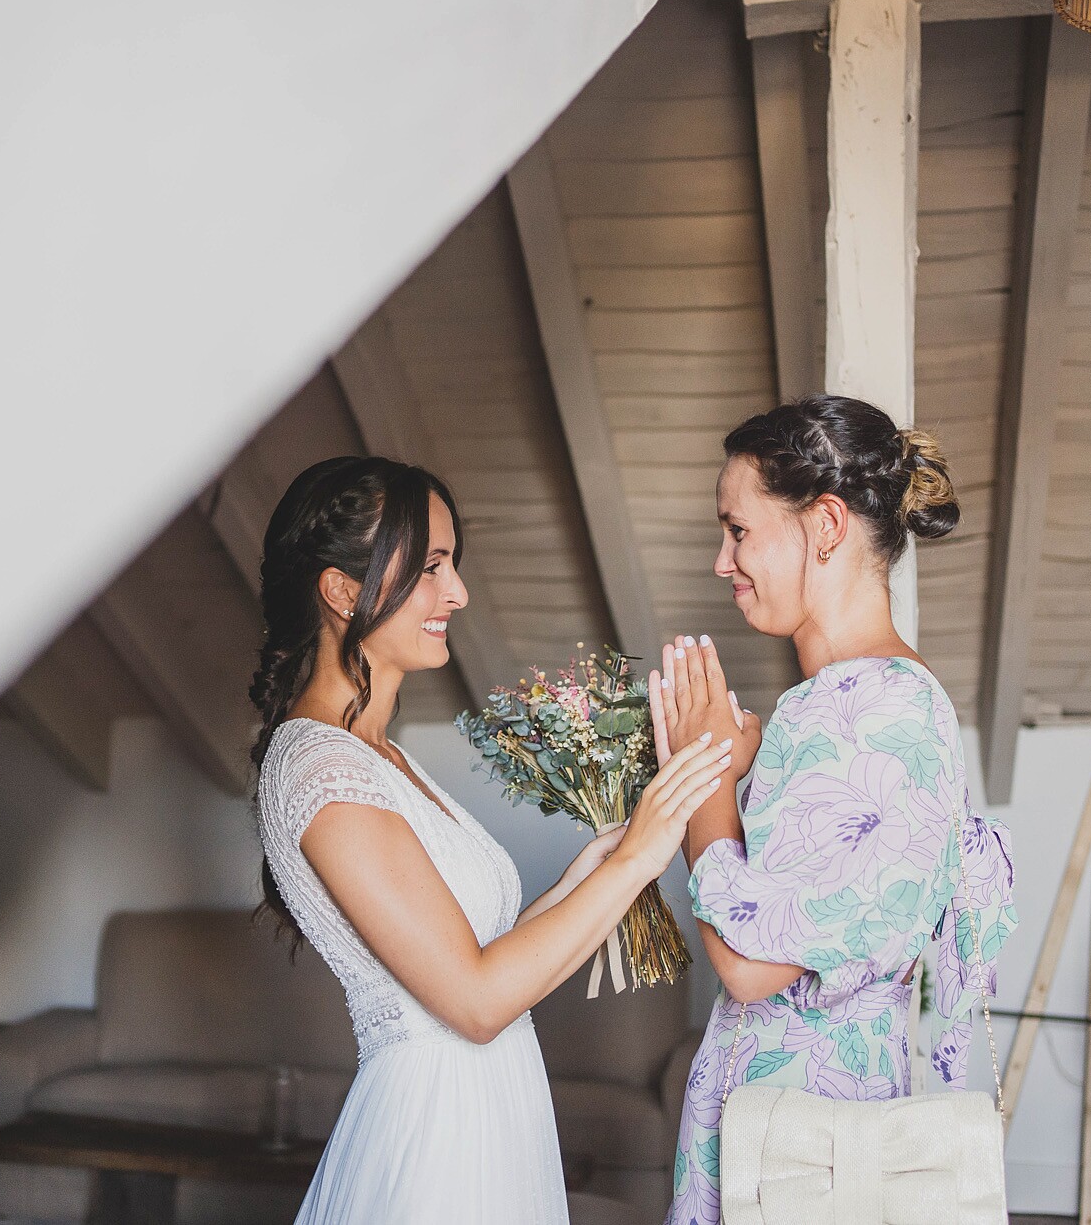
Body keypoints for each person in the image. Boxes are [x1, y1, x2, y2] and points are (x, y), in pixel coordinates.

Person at [251, 455, 732, 1225]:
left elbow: (478, 954)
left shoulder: (384, 757)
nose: (459, 592)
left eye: (453, 564)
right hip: (435, 1142)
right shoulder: (316, 766)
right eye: (432, 566)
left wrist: (591, 871)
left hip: (491, 1112)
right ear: (342, 591)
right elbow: (475, 1002)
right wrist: (642, 853)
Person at [649, 395, 1018, 1225]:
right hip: (786, 1141)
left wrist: (698, 781)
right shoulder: (846, 705)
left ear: (824, 525)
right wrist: (733, 775)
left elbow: (750, 965)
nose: (721, 560)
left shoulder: (871, 709)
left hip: (803, 1161)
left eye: (738, 530)